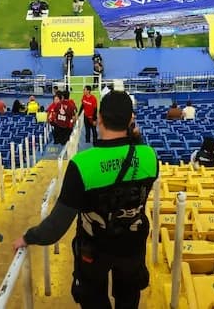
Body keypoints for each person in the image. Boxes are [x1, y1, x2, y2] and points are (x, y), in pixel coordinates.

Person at [14, 90, 158, 309]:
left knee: (93, 300)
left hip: (93, 251)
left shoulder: (82, 164)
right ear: (131, 120)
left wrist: (28, 237)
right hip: (132, 246)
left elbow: (56, 227)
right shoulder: (150, 156)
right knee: (128, 300)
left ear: (99, 118)